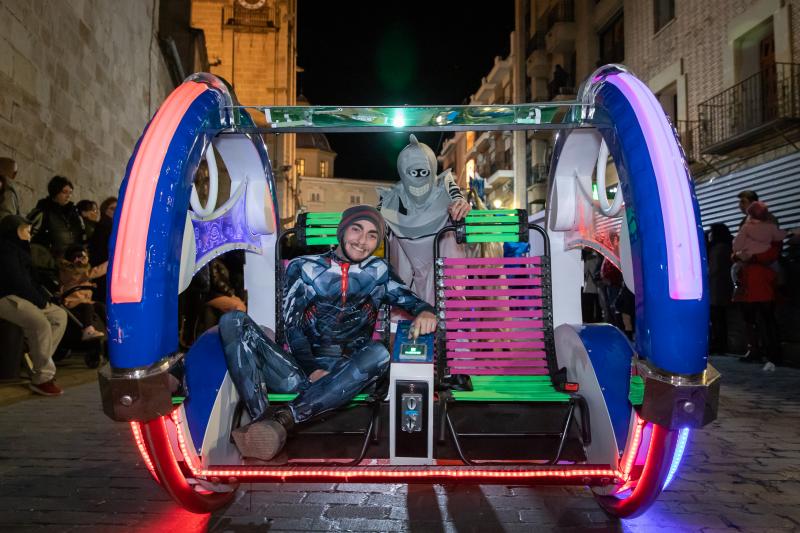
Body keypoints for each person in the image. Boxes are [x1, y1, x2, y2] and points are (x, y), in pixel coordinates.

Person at [220, 205, 436, 461]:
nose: (362, 241)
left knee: (379, 353)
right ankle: (263, 422)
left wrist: (425, 311)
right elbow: (293, 327)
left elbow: (411, 301)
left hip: (351, 374)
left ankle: (284, 419)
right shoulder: (303, 267)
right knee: (232, 320)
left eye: (372, 235)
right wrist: (311, 369)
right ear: (342, 231)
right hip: (302, 373)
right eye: (357, 230)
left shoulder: (378, 271)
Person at [377, 134, 470, 304]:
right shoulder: (391, 198)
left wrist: (461, 206)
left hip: (440, 281)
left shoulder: (445, 188)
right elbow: (376, 221)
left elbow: (457, 199)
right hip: (406, 280)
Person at [0, 215, 68, 396]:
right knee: (39, 323)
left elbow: (32, 279)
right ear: (13, 232)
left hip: (23, 296)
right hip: (5, 296)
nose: (29, 234)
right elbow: (16, 281)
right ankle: (42, 378)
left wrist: (47, 297)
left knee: (59, 316)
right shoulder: (5, 250)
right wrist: (40, 301)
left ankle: (34, 357)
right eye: (25, 230)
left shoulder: (22, 250)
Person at [731, 201, 785, 296]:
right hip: (749, 270)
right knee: (734, 269)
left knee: (779, 270)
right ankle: (737, 286)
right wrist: (738, 256)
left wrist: (754, 258)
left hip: (764, 267)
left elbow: (774, 250)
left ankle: (780, 288)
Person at [28, 176, 86, 261]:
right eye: (64, 192)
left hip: (70, 263)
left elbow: (81, 238)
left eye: (70, 193)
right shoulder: (43, 212)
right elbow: (28, 236)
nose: (68, 196)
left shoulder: (75, 215)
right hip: (48, 263)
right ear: (55, 192)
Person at [58, 245, 107, 341]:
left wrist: (90, 286)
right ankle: (87, 330)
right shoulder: (68, 271)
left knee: (100, 306)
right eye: (83, 257)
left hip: (83, 300)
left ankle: (112, 327)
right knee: (88, 307)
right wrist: (109, 264)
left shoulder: (80, 272)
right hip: (72, 301)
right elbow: (89, 274)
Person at [706, 223, 733, 354]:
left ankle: (719, 344)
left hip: (716, 286)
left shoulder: (718, 249)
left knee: (717, 317)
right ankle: (720, 344)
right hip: (722, 286)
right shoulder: (726, 247)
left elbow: (714, 269)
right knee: (720, 317)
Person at [88, 196, 117, 302]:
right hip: (103, 268)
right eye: (112, 208)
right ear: (105, 210)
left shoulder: (113, 226)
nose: (116, 210)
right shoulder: (103, 227)